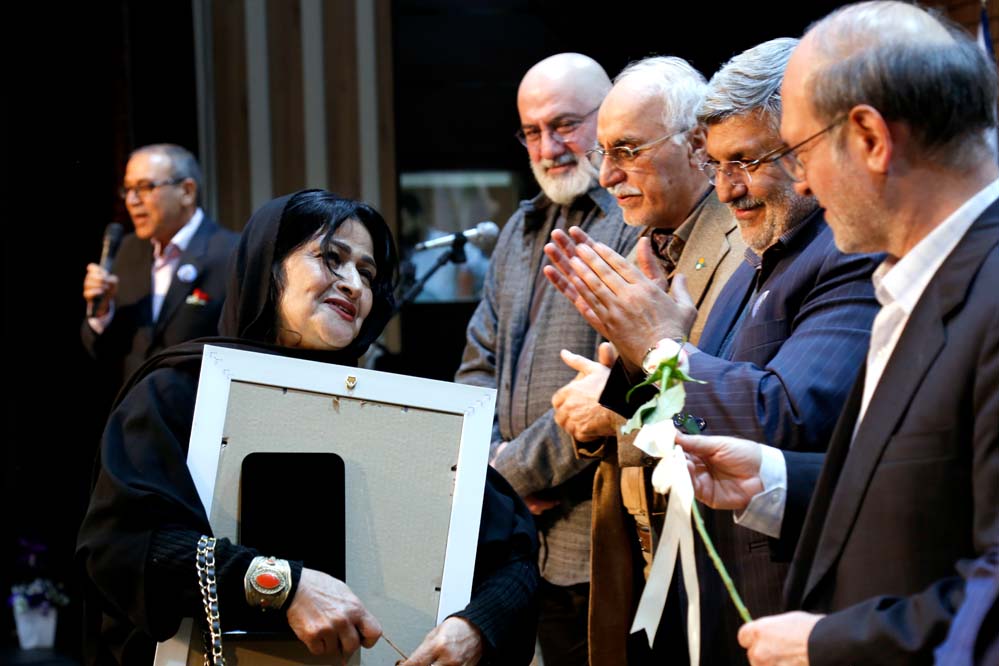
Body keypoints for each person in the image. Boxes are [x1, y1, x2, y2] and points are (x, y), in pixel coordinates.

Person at [77, 190, 539, 666]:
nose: (354, 285)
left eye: (367, 273)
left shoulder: (400, 416)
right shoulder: (178, 393)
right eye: (331, 259)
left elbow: (516, 556)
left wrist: (476, 628)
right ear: (270, 266)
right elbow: (124, 547)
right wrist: (284, 586)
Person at [674, 2, 999, 663]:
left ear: (870, 138)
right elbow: (923, 499)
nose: (798, 180)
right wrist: (773, 481)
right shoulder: (918, 277)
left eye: (798, 151)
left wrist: (828, 642)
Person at [545, 39, 882, 664]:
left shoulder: (844, 252)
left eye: (745, 161)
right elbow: (696, 414)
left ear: (809, 146)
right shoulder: (763, 256)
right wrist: (628, 377)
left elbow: (784, 417)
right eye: (717, 164)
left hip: (785, 599)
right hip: (707, 594)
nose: (726, 189)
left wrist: (658, 345)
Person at [542, 54, 747, 665]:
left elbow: (729, 410)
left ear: (696, 145)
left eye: (627, 150)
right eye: (603, 153)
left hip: (718, 559)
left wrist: (615, 407)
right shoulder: (647, 244)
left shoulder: (744, 241)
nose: (607, 176)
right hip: (642, 554)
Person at [455, 52, 637, 666]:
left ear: (607, 118)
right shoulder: (518, 228)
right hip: (520, 544)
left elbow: (619, 383)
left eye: (564, 125)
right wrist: (495, 472)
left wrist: (505, 479)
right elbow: (477, 364)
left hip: (597, 535)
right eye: (531, 132)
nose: (548, 147)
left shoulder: (633, 219)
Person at [81, 144, 239, 386]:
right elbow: (106, 352)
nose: (132, 200)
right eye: (128, 189)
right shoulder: (127, 250)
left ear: (187, 191)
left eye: (145, 187)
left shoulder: (232, 254)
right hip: (135, 405)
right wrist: (102, 313)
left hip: (194, 405)